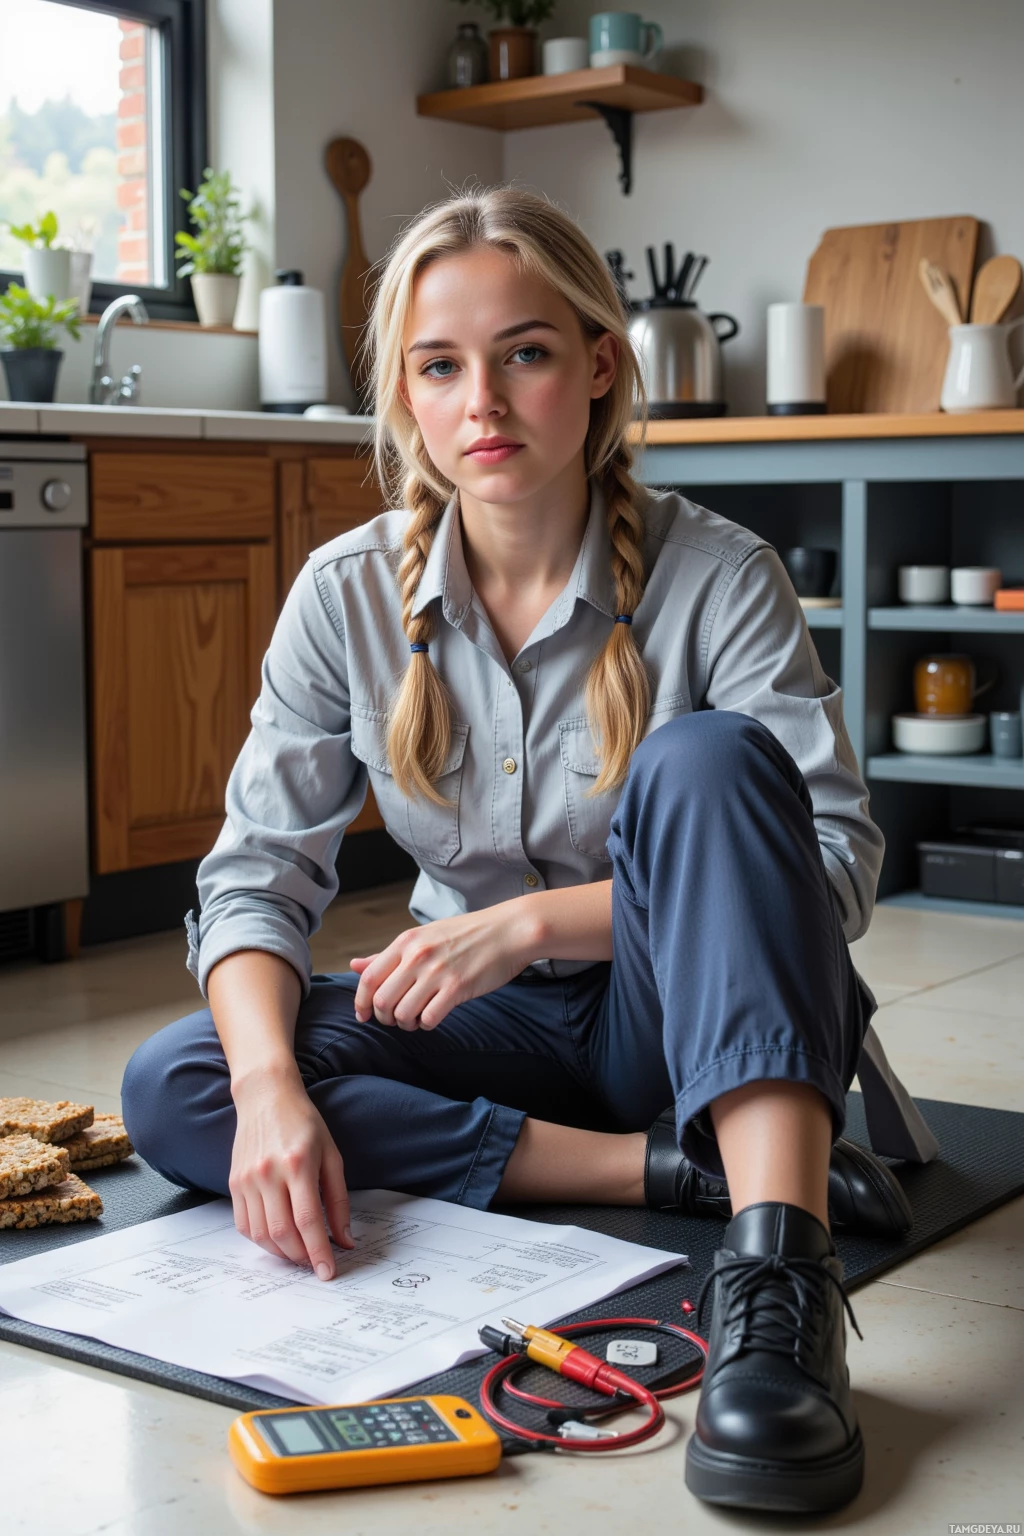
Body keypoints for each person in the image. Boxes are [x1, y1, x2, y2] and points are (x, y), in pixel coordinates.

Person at [122, 188, 935, 1515]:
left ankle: (781, 1274)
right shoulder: (342, 597)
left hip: (686, 1019)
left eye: (527, 352)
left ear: (600, 365)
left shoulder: (720, 574)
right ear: (403, 391)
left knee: (710, 756)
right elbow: (257, 872)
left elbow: (833, 862)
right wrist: (272, 1087)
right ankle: (664, 1168)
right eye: (440, 365)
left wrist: (527, 927)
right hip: (500, 1039)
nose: (482, 401)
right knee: (181, 1084)